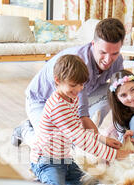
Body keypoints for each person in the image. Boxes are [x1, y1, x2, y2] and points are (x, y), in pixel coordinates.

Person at [12, 18, 126, 149]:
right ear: (93, 44)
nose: (108, 59)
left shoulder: (117, 61)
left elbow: (122, 94)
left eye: (114, 53)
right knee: (53, 146)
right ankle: (25, 130)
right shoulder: (81, 63)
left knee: (114, 91)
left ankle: (85, 139)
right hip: (41, 101)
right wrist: (100, 142)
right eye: (103, 52)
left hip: (72, 100)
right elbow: (83, 115)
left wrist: (123, 130)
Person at [30, 54, 131, 185]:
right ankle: (41, 177)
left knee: (92, 183)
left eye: (81, 85)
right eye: (73, 85)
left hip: (64, 159)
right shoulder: (58, 106)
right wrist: (113, 155)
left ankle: (54, 178)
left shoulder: (71, 98)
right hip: (47, 161)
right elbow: (79, 138)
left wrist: (102, 139)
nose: (78, 89)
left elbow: (78, 129)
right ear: (57, 80)